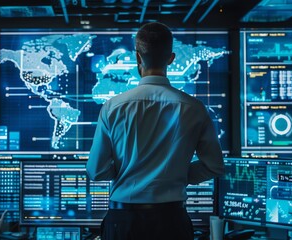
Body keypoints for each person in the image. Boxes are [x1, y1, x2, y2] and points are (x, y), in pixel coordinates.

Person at [86, 22, 225, 240]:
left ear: (137, 58)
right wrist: (176, 174)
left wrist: (126, 171)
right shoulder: (195, 108)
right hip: (173, 222)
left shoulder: (113, 107)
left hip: (123, 222)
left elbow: (96, 171)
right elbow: (214, 166)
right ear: (171, 58)